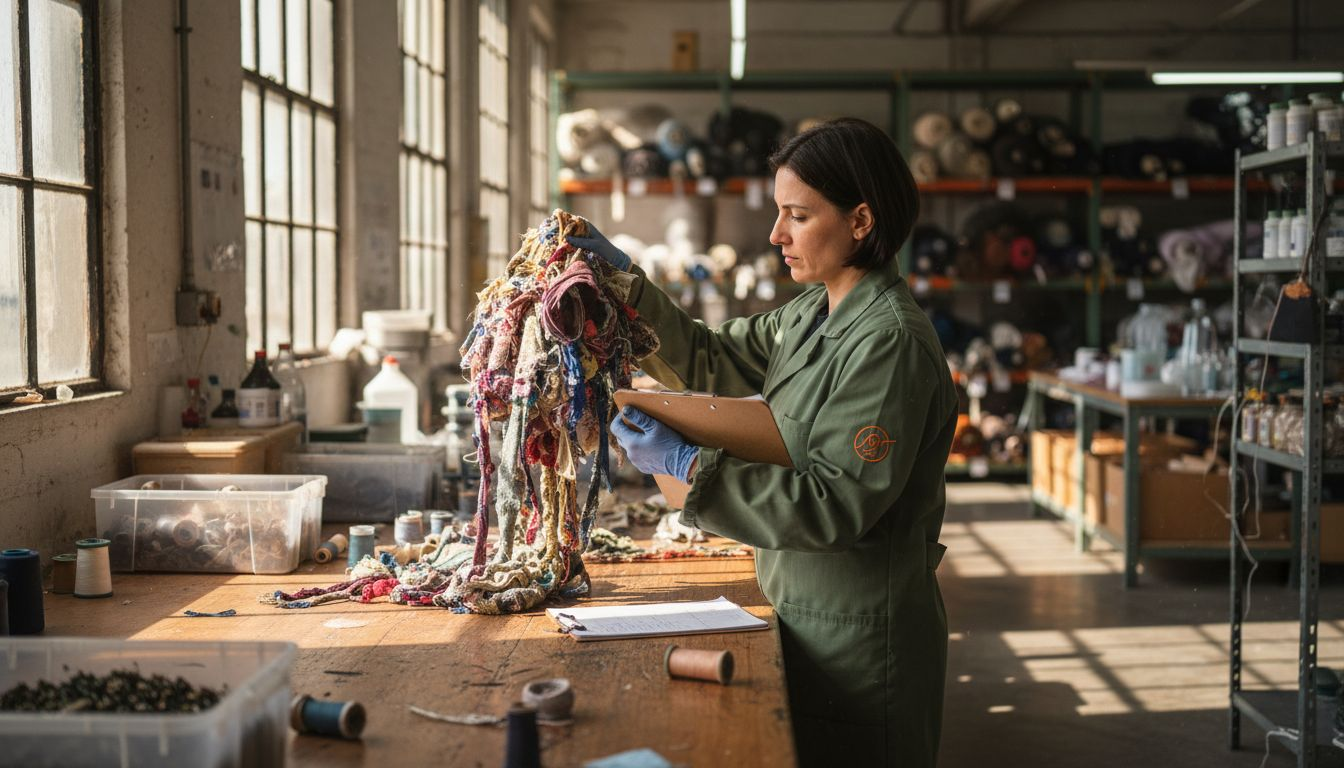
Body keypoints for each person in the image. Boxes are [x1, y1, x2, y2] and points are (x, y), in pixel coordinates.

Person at [569, 117, 957, 767]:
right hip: (795, 605)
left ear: (861, 221)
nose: (776, 234)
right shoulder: (811, 312)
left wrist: (691, 467)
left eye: (797, 216)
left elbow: (834, 504)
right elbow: (710, 356)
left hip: (860, 634)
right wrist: (626, 284)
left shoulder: (888, 342)